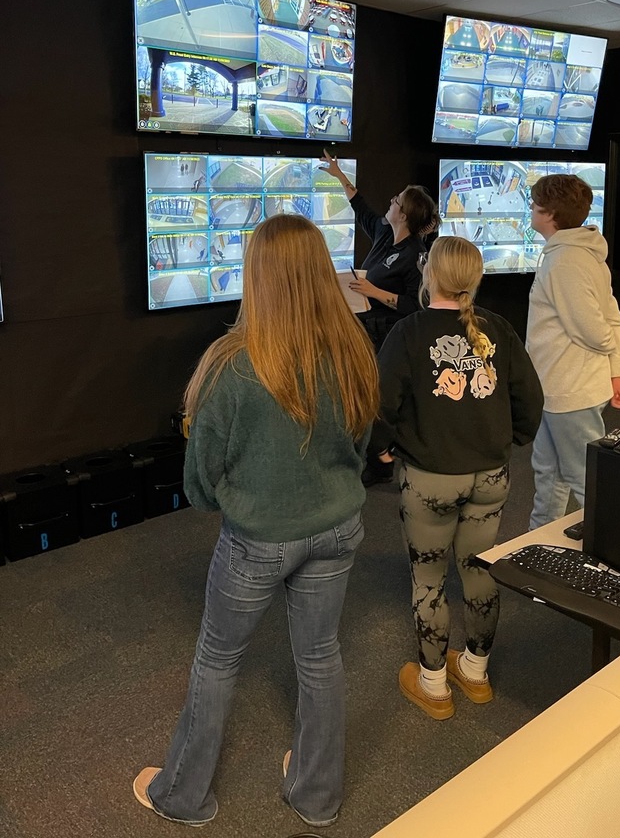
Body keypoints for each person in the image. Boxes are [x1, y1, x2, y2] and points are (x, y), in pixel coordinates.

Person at [132, 214, 379, 829]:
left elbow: (201, 468)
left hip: (257, 540)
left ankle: (183, 796)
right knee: (320, 657)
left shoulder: (233, 363)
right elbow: (360, 442)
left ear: (257, 276)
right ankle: (317, 796)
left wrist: (220, 500)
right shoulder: (354, 348)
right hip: (338, 528)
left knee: (217, 659)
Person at [370, 235, 544, 720]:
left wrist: (380, 447)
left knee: (428, 579)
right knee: (479, 570)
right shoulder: (498, 328)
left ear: (430, 275)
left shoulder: (407, 332)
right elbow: (530, 398)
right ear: (475, 278)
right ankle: (475, 672)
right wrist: (511, 439)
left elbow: (380, 403)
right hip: (490, 478)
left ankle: (434, 685)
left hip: (430, 481)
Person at [319, 148, 441, 485]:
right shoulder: (386, 233)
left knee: (378, 397)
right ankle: (376, 455)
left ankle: (382, 459)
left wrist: (374, 292)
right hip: (364, 328)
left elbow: (418, 305)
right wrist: (339, 176)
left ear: (404, 215)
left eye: (396, 201)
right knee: (362, 394)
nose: (390, 201)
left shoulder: (416, 254)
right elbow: (361, 208)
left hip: (387, 335)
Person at [525, 173, 620, 531]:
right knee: (550, 472)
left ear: (550, 214)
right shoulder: (579, 254)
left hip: (570, 390)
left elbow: (595, 329)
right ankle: (539, 541)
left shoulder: (566, 261)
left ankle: (613, 548)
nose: (531, 210)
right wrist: (617, 370)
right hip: (559, 389)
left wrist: (612, 360)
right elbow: (613, 317)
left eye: (535, 205)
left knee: (583, 478)